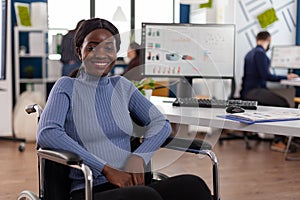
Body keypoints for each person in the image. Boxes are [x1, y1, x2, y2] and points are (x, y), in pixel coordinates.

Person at [37, 18, 212, 200]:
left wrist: (139, 157)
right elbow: (48, 132)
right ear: (79, 52)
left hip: (133, 184)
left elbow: (161, 123)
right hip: (90, 189)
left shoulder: (121, 86)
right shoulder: (66, 86)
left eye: (109, 48)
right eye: (92, 47)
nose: (101, 54)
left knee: (194, 186)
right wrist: (106, 169)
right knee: (145, 196)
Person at [240, 31, 298, 152]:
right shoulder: (260, 54)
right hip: (254, 92)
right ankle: (278, 141)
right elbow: (266, 76)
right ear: (268, 40)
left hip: (247, 92)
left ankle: (283, 138)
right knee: (283, 103)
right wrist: (285, 77)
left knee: (277, 100)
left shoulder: (249, 53)